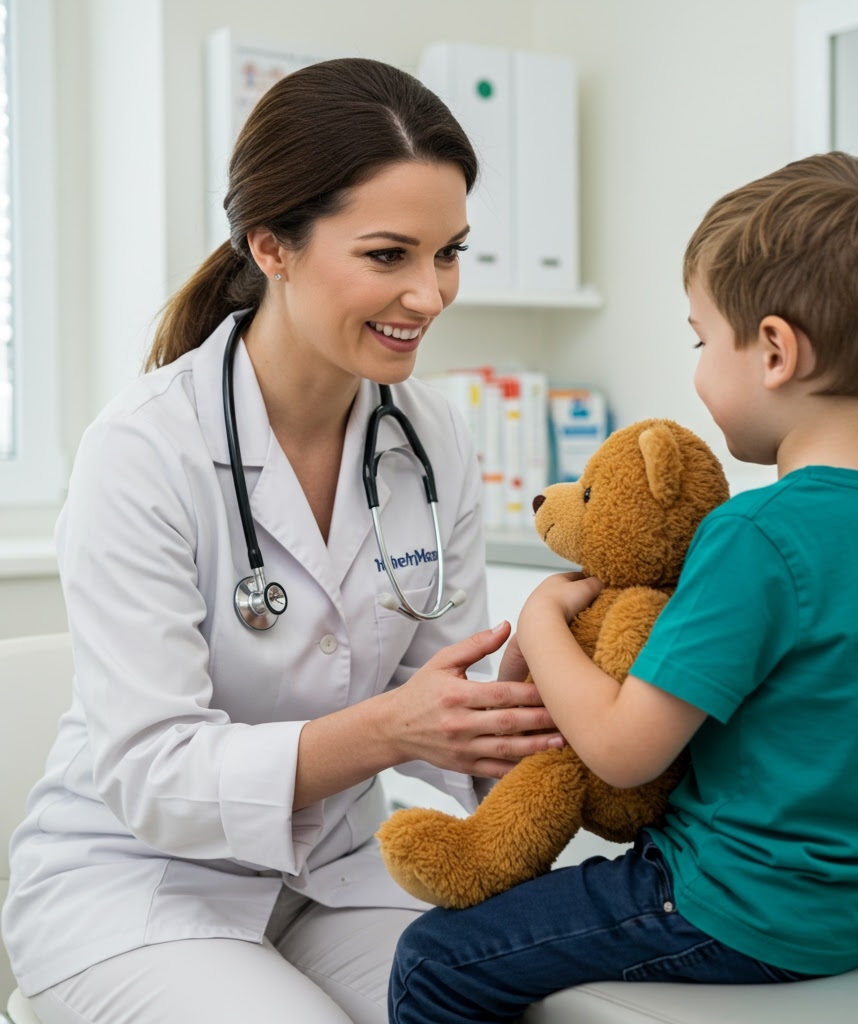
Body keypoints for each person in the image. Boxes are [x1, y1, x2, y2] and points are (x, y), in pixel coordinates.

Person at [1, 57, 566, 1024]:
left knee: (508, 998)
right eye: (389, 256)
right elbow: (152, 774)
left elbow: (445, 704)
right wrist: (391, 729)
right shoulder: (145, 450)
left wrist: (566, 710)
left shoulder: (429, 438)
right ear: (272, 246)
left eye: (449, 253)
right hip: (140, 888)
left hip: (335, 876)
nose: (430, 296)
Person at [388, 151, 858, 1023]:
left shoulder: (754, 533)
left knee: (433, 960)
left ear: (773, 349)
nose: (696, 368)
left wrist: (542, 620)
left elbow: (624, 752)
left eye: (701, 339)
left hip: (740, 907)